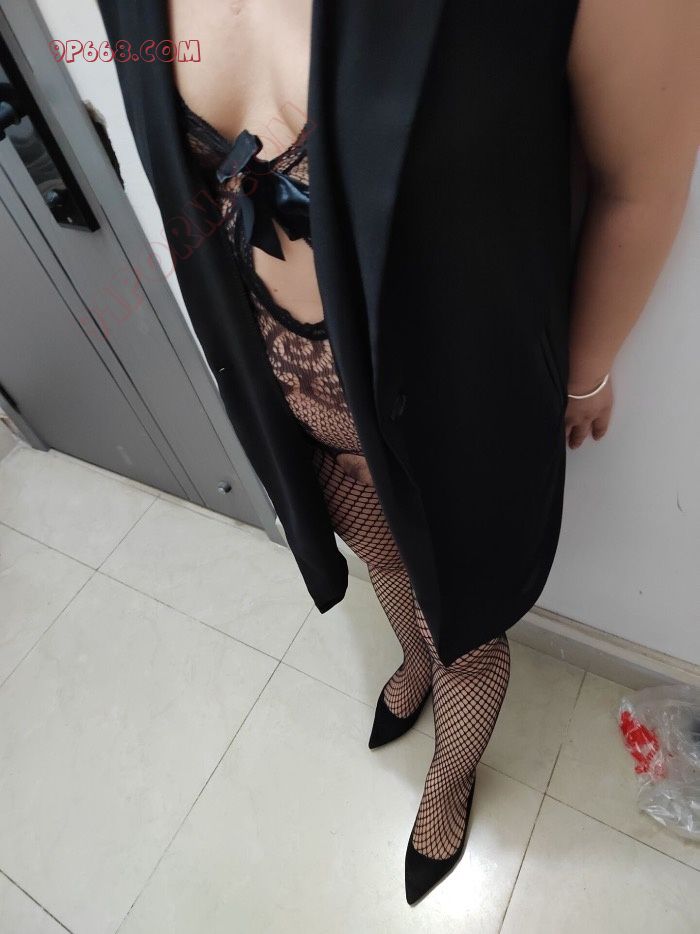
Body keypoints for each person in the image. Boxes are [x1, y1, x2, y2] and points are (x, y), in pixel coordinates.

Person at [98, 0, 698, 905]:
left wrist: (584, 373)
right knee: (381, 556)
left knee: (465, 628)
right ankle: (413, 663)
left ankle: (449, 778)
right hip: (290, 402)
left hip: (457, 421)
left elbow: (642, 183)